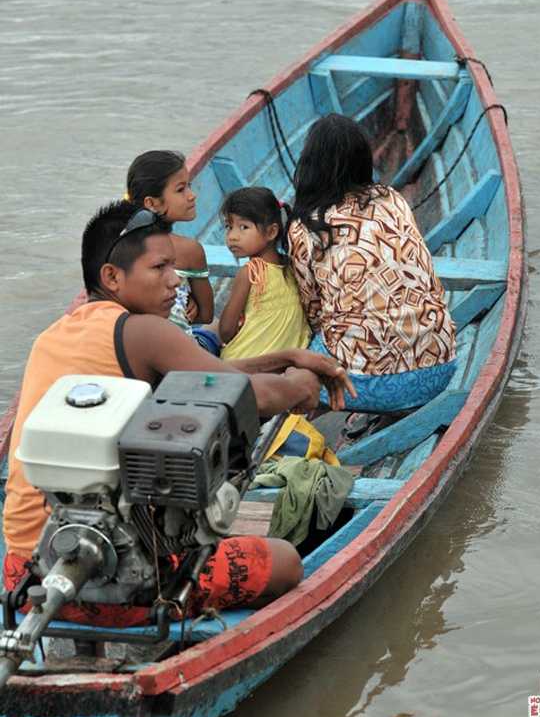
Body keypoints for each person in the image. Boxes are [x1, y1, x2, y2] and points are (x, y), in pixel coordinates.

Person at [3, 200, 354, 625]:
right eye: (160, 269)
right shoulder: (143, 331)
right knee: (285, 562)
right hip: (120, 585)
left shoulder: (58, 335)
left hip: (25, 575)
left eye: (175, 267)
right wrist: (299, 385)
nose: (175, 282)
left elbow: (210, 373)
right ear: (112, 277)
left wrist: (287, 356)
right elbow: (245, 395)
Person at [287, 113, 457, 413]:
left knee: (289, 368)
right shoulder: (392, 199)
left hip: (364, 384)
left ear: (310, 166)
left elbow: (312, 312)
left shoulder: (304, 228)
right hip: (440, 369)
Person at [126, 149, 219, 354]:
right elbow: (205, 315)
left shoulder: (120, 244)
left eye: (189, 186)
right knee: (220, 327)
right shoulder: (189, 251)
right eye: (180, 189)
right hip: (184, 353)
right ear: (151, 203)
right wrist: (186, 299)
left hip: (137, 351)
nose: (191, 195)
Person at [219, 187, 310, 360]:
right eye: (229, 227)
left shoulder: (250, 272)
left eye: (243, 227)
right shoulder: (292, 265)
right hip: (286, 364)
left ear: (271, 232)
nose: (232, 236)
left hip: (245, 361)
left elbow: (226, 331)